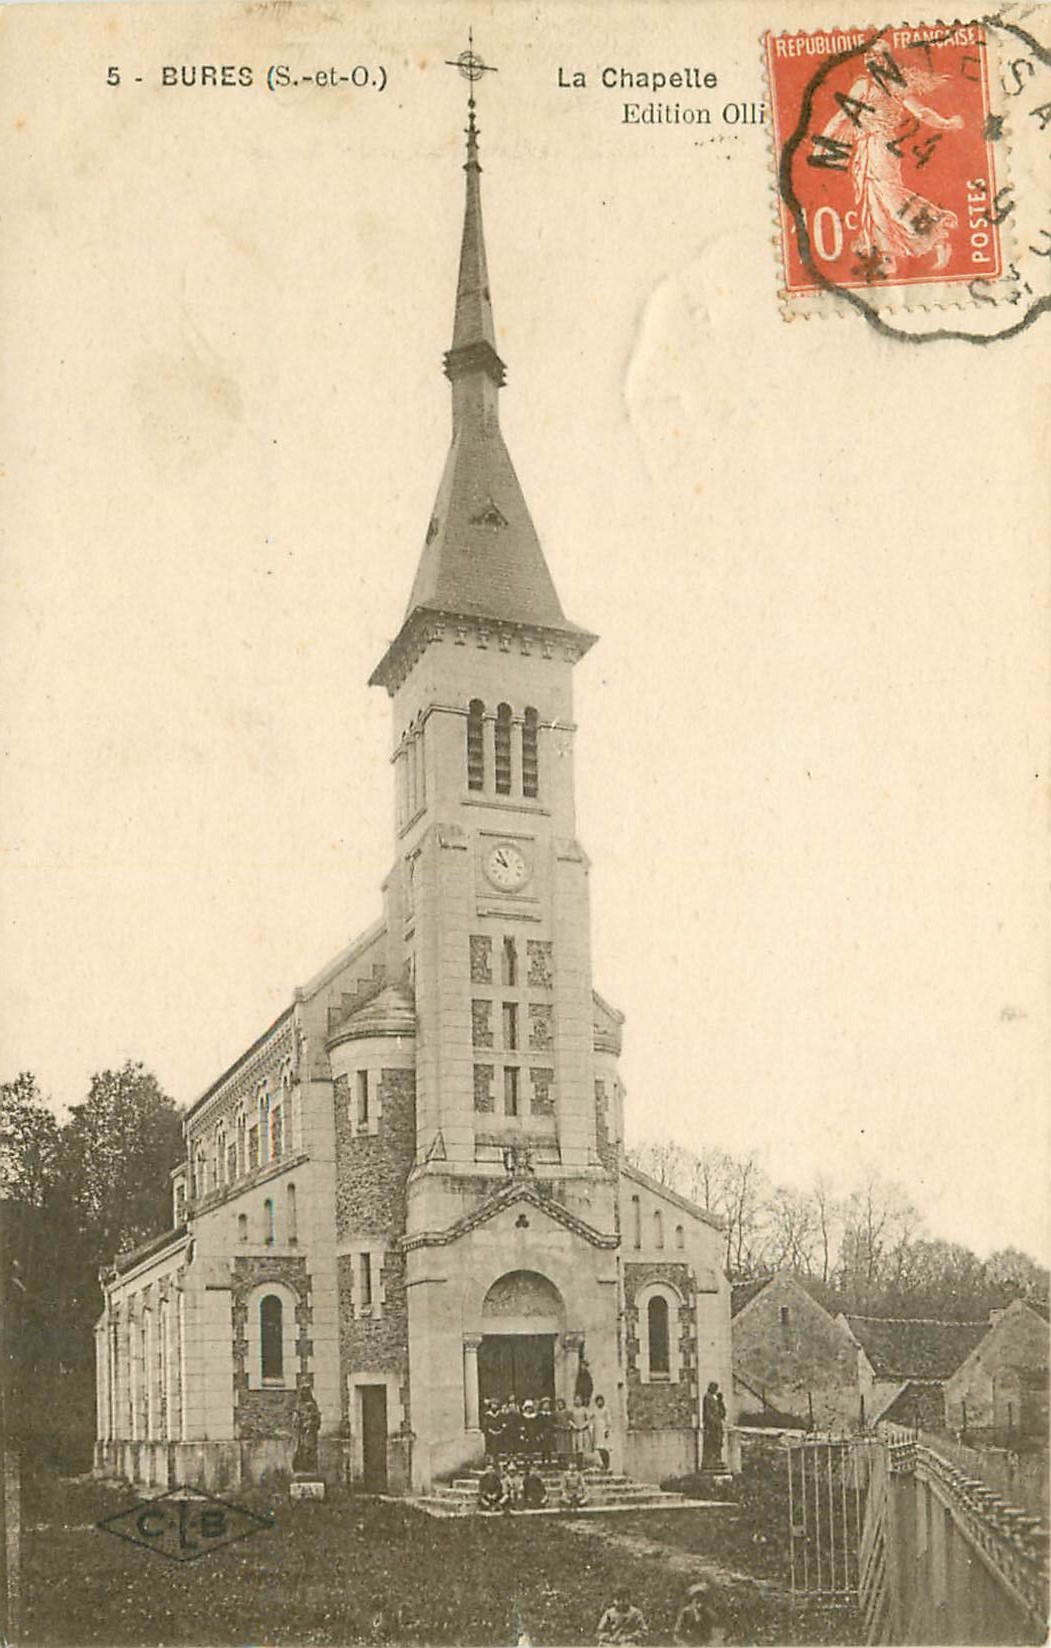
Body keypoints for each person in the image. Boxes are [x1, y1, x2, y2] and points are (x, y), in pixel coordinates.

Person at [291, 1384, 322, 1473]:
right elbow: (295, 1420)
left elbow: (317, 1419)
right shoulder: (299, 1406)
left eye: (306, 1391)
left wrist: (311, 1423)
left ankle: (311, 1468)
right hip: (301, 1433)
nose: (304, 1393)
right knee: (300, 1449)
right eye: (303, 1391)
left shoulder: (313, 1405)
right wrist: (298, 1422)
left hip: (310, 1433)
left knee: (310, 1449)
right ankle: (301, 1468)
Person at [701, 1382, 726, 1471]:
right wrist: (713, 1422)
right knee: (711, 1443)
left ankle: (717, 1459)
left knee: (718, 1443)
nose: (715, 1390)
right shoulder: (707, 1397)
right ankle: (711, 1461)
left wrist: (720, 1401)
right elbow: (707, 1413)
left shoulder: (716, 1399)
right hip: (711, 1426)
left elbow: (722, 1413)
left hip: (717, 1426)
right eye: (714, 1388)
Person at [593, 1393, 612, 1471]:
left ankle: (607, 1464)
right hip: (597, 1429)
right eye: (598, 1401)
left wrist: (607, 1430)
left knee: (604, 1447)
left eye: (600, 1401)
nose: (599, 1403)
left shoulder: (605, 1410)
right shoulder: (595, 1410)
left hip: (603, 1428)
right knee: (599, 1448)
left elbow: (608, 1421)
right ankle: (602, 1463)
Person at [571, 1394, 593, 1461]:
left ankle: (582, 1462)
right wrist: (574, 1425)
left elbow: (589, 1419)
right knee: (575, 1445)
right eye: (576, 1400)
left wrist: (583, 1425)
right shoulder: (572, 1410)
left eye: (579, 1400)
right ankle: (576, 1462)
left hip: (583, 1430)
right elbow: (569, 1419)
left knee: (582, 1446)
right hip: (575, 1430)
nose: (578, 1401)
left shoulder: (584, 1409)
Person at [520, 1397, 540, 1461]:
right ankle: (526, 1459)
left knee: (532, 1446)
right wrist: (522, 1433)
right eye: (527, 1408)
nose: (529, 1410)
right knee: (525, 1446)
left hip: (533, 1433)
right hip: (526, 1433)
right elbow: (522, 1425)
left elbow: (536, 1425)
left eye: (530, 1408)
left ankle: (532, 1460)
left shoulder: (534, 1417)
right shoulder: (523, 1416)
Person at [554, 1397, 573, 1462]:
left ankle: (567, 1461)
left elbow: (571, 1421)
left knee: (566, 1446)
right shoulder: (555, 1413)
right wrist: (558, 1427)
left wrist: (569, 1426)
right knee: (560, 1446)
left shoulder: (568, 1413)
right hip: (559, 1432)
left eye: (561, 1404)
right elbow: (554, 1423)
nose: (560, 1406)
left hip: (566, 1432)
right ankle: (560, 1461)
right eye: (558, 1404)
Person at [538, 1396, 555, 1464]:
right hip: (543, 1432)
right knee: (543, 1447)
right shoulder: (540, 1415)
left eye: (548, 1404)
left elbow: (553, 1424)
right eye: (545, 1404)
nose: (546, 1406)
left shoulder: (551, 1414)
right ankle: (543, 1461)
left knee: (549, 1447)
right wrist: (540, 1433)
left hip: (550, 1433)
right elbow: (539, 1425)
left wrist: (553, 1432)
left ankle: (549, 1461)